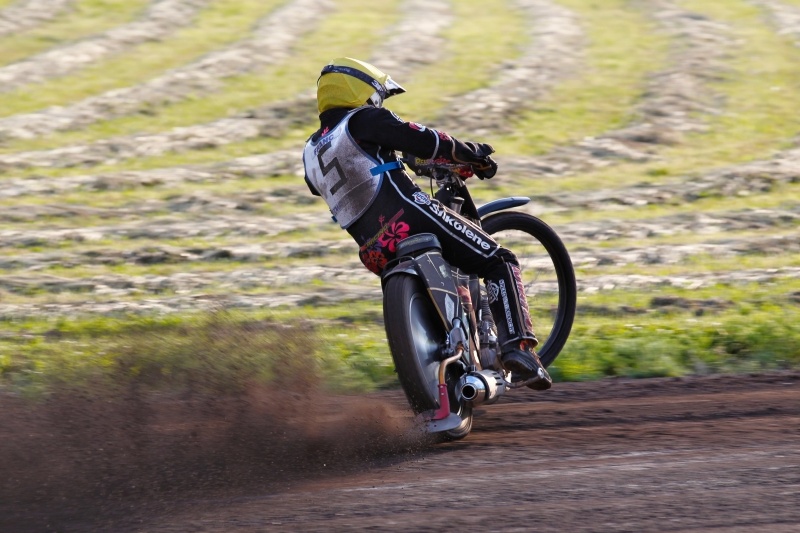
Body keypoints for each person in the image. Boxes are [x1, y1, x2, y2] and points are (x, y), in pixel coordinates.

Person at [302, 57, 551, 391]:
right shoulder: (364, 119)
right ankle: (519, 349)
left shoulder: (311, 150)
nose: (378, 103)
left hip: (374, 248)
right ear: (360, 92)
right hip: (411, 218)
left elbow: (348, 173)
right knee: (499, 259)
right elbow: (425, 140)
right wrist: (472, 153)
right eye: (377, 95)